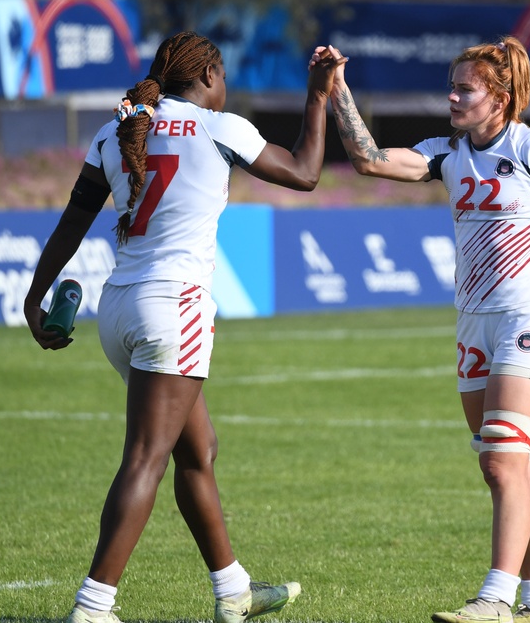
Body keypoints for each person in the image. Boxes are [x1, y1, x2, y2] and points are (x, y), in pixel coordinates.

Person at [318, 37, 530, 623]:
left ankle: (495, 597)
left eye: (464, 89)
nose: (452, 96)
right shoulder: (447, 154)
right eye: (452, 85)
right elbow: (369, 159)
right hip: (473, 324)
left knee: (503, 461)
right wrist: (337, 90)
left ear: (499, 98)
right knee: (509, 468)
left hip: (528, 320)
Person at [24, 31, 345, 623]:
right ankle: (93, 607)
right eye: (221, 78)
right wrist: (317, 97)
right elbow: (305, 173)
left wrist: (34, 296)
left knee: (198, 449)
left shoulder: (117, 130)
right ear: (207, 75)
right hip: (176, 308)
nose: (224, 89)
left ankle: (234, 591)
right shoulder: (219, 127)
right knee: (147, 457)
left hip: (119, 308)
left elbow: (73, 221)